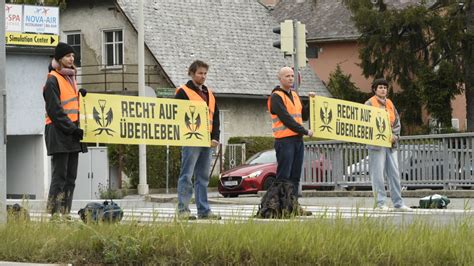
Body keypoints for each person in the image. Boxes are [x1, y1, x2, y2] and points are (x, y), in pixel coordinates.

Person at [43, 42, 88, 219]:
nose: (71, 59)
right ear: (59, 58)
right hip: (59, 132)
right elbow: (55, 111)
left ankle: (64, 213)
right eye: (68, 56)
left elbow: (71, 104)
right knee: (59, 177)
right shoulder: (52, 79)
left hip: (70, 133)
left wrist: (82, 94)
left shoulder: (70, 78)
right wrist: (72, 129)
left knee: (70, 178)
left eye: (73, 56)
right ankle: (54, 215)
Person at [175, 60, 221, 220]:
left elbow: (215, 117)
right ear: (192, 73)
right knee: (186, 175)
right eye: (200, 73)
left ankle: (204, 210)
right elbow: (178, 115)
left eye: (205, 73)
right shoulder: (183, 92)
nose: (203, 76)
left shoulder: (210, 94)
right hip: (191, 139)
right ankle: (183, 210)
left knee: (202, 177)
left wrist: (215, 137)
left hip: (207, 141)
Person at [267, 66, 314, 216]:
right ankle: (279, 207)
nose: (290, 78)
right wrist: (305, 131)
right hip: (285, 140)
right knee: (284, 176)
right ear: (279, 78)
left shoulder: (295, 95)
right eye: (287, 76)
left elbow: (303, 116)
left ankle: (293, 206)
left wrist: (310, 103)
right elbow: (286, 119)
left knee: (295, 176)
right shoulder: (276, 97)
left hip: (297, 140)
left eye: (292, 76)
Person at [365, 78, 411, 211]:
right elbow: (365, 122)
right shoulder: (369, 103)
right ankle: (380, 203)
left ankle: (398, 203)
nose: (383, 89)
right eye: (380, 87)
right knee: (378, 174)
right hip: (376, 144)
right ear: (375, 89)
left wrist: (395, 136)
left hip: (391, 144)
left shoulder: (390, 103)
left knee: (394, 174)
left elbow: (396, 122)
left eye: (385, 87)